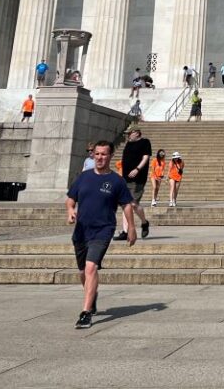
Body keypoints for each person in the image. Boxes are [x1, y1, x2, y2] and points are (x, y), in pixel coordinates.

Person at [66, 139, 136, 329]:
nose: (99, 157)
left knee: (91, 268)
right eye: (97, 154)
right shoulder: (84, 177)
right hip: (81, 230)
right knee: (82, 272)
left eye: (104, 154)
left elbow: (127, 205)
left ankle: (86, 313)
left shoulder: (116, 181)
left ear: (111, 156)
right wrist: (71, 211)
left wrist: (131, 227)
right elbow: (71, 199)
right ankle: (92, 294)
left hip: (103, 229)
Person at [116, 128, 152, 240]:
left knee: (133, 204)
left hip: (138, 179)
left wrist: (137, 169)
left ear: (136, 133)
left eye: (130, 134)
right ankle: (125, 232)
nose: (128, 136)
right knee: (125, 204)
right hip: (125, 178)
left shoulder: (145, 142)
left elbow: (146, 157)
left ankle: (144, 222)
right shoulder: (128, 144)